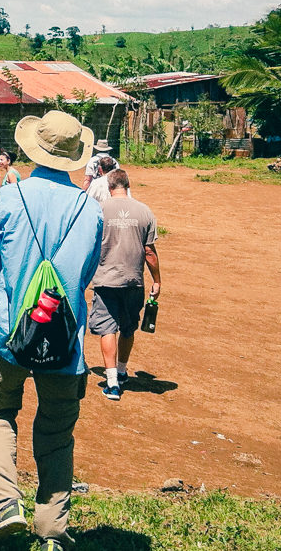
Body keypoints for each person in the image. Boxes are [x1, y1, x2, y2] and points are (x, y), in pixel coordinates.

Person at [0, 110, 102, 550]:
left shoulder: (10, 199)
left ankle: (5, 503)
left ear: (34, 148)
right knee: (56, 433)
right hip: (66, 344)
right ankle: (52, 530)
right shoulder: (91, 208)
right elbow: (83, 277)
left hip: (9, 336)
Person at [89, 168, 161, 400]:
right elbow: (149, 251)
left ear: (110, 188)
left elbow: (88, 245)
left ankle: (111, 383)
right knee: (128, 328)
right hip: (134, 281)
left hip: (105, 279)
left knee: (107, 327)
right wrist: (157, 280)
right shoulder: (144, 211)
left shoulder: (99, 210)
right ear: (127, 186)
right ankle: (121, 371)